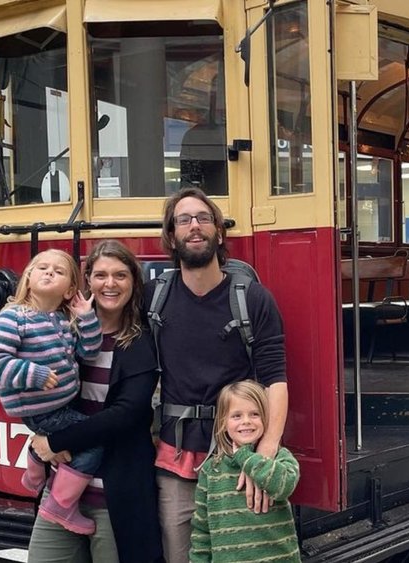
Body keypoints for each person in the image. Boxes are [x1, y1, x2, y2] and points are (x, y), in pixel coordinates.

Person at [149, 187, 289, 563]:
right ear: (171, 236)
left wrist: (266, 453)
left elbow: (275, 377)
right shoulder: (153, 297)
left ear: (219, 232)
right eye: (184, 220)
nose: (194, 226)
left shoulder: (254, 299)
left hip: (236, 458)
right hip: (175, 460)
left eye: (204, 218)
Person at [27, 240, 164, 563]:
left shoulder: (141, 342)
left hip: (113, 498)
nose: (110, 284)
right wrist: (37, 437)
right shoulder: (62, 333)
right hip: (60, 492)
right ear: (87, 281)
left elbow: (126, 415)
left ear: (134, 282)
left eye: (120, 275)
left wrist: (55, 441)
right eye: (100, 275)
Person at [0, 249, 103, 535]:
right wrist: (33, 374)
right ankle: (61, 504)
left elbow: (89, 351)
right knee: (94, 441)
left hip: (58, 406)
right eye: (42, 268)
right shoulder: (14, 317)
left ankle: (36, 466)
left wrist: (86, 318)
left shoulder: (61, 319)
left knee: (76, 438)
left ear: (70, 289)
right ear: (28, 278)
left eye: (59, 271)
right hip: (40, 409)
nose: (49, 272)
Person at [189, 381, 300, 562]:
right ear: (223, 423)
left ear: (266, 419)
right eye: (236, 416)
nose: (246, 421)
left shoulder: (279, 457)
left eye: (255, 414)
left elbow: (284, 485)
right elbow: (202, 531)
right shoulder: (211, 470)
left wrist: (245, 457)